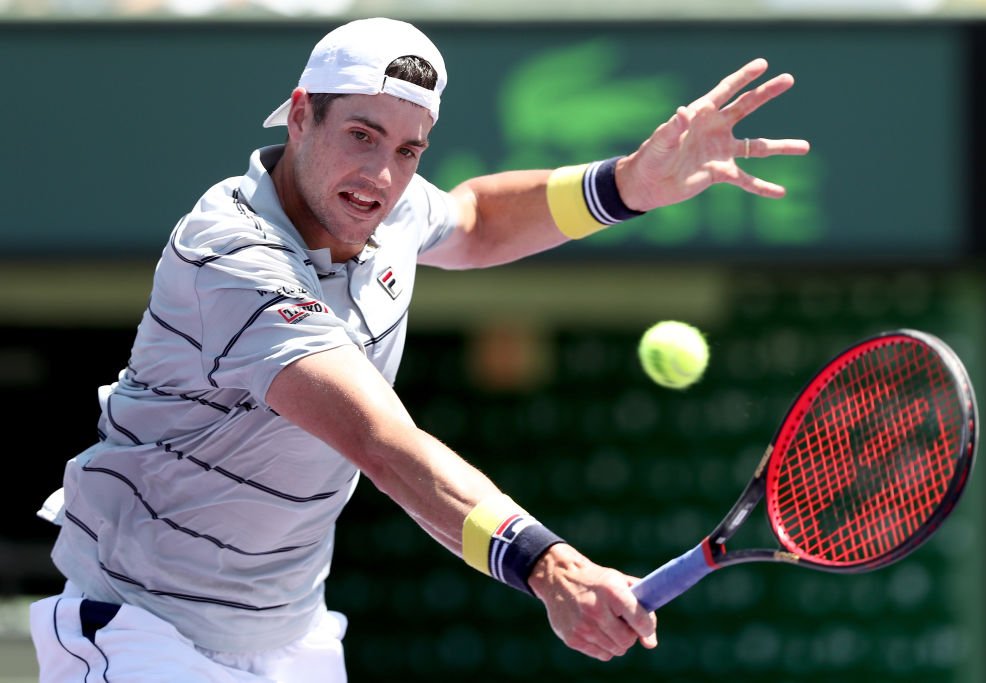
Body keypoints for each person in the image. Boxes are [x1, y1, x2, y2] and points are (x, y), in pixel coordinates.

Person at [28, 16, 810, 683]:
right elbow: (381, 440)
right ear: (300, 115)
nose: (381, 174)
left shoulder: (380, 206)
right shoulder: (232, 256)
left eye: (409, 149)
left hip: (289, 631)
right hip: (144, 628)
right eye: (362, 135)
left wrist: (628, 184)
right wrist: (550, 564)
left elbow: (472, 218)